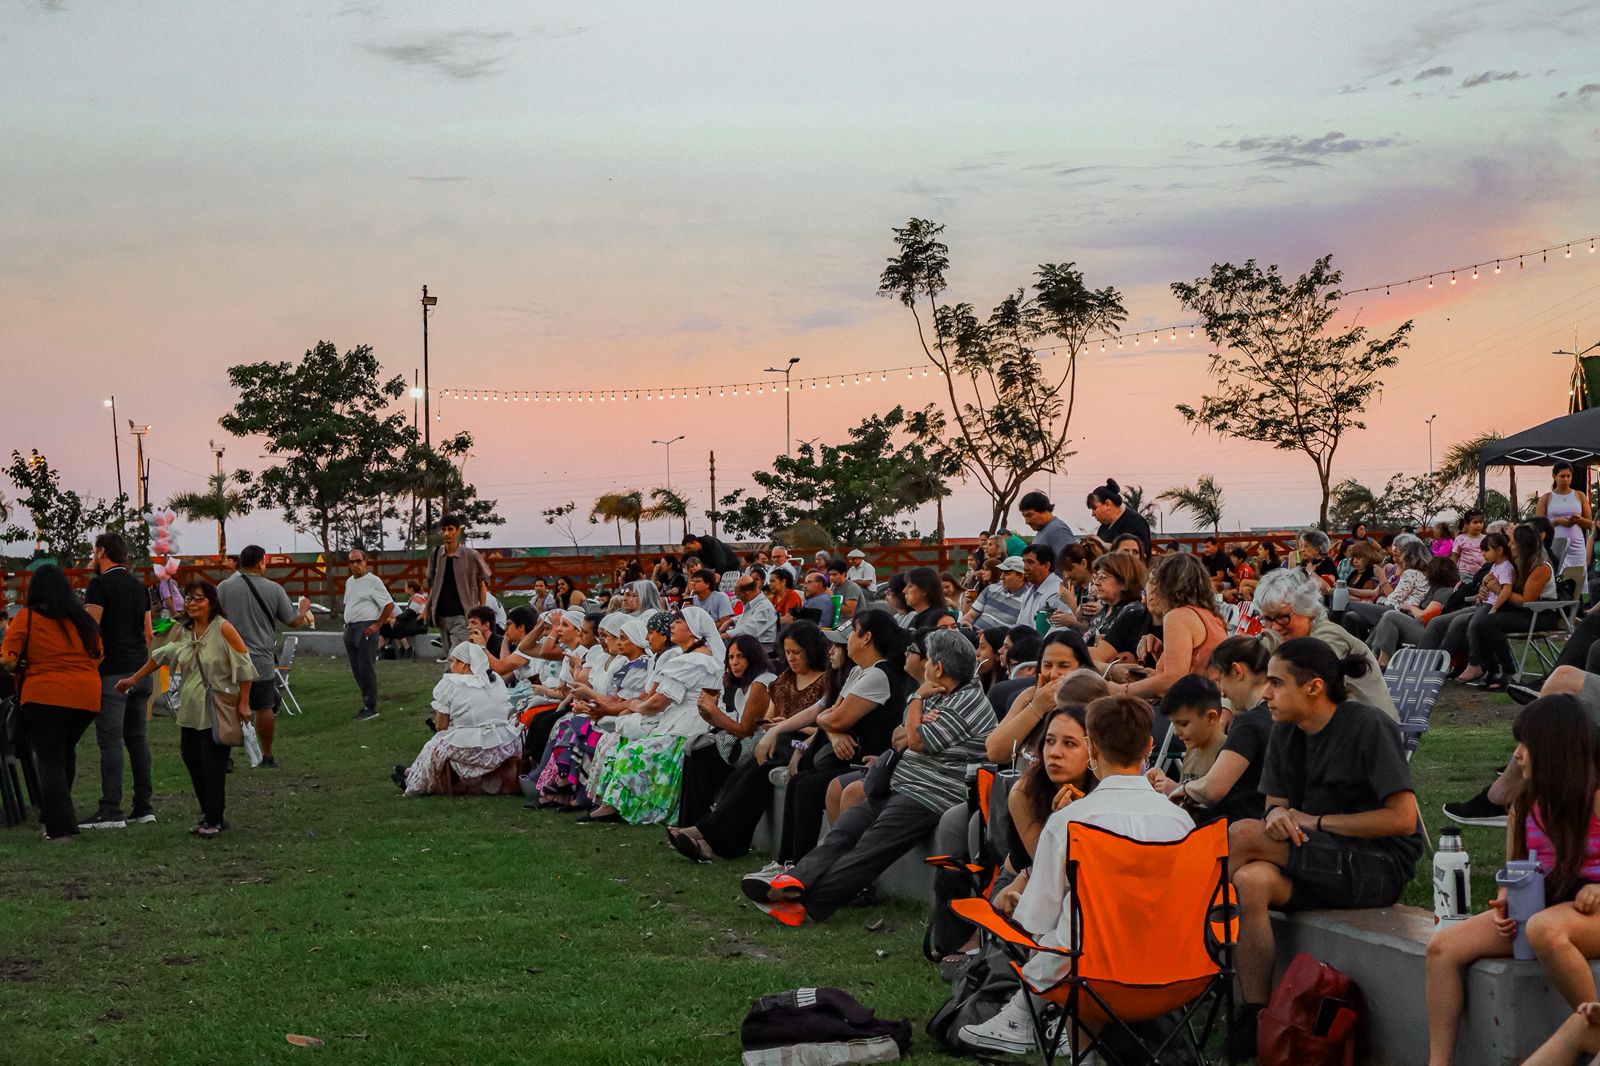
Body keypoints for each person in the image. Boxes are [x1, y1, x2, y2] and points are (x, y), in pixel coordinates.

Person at [959, 695, 1196, 1055]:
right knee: (1084, 915)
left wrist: (1019, 900)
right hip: (1179, 972)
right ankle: (1028, 1015)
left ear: (1091, 748)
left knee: (1072, 919)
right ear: (1149, 746)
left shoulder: (1073, 821)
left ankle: (1024, 1013)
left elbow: (1039, 915)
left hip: (1093, 973)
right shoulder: (1182, 821)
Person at [1225, 637, 1423, 1056]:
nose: (1266, 694)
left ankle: (1182, 951)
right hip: (1316, 857)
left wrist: (1313, 821)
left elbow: (1404, 819)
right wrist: (1276, 817)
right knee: (1251, 878)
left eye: (1276, 683)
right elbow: (1273, 808)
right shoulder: (1285, 730)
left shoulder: (1367, 726)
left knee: (1241, 836)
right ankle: (1256, 1016)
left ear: (1313, 687)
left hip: (1378, 866)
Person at [741, 628, 996, 926]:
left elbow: (912, 740)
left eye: (926, 659)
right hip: (900, 783)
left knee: (867, 850)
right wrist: (914, 724)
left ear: (937, 667)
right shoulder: (940, 694)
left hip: (929, 795)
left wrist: (915, 701)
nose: (923, 665)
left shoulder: (965, 702)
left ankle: (806, 905)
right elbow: (900, 735)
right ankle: (794, 882)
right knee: (844, 832)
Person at [1426, 694, 1600, 1065]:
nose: (1517, 755)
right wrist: (1505, 898)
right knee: (1442, 949)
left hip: (1589, 912)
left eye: (1526, 745)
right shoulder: (1524, 804)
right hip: (1546, 906)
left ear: (1556, 751)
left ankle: (1595, 1029)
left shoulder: (1596, 799)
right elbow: (1515, 868)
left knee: (1544, 929)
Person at [669, 621, 832, 862]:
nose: (791, 658)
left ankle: (704, 832)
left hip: (804, 743)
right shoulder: (785, 679)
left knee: (755, 771)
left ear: (811, 650)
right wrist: (772, 725)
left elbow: (824, 725)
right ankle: (717, 841)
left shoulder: (826, 681)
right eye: (787, 653)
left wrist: (783, 726)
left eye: (796, 652)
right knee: (743, 774)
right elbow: (766, 719)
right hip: (776, 741)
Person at [117, 580, 257, 837]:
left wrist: (245, 703)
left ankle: (214, 820)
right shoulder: (185, 631)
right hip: (191, 707)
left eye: (198, 598)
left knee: (213, 764)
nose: (192, 603)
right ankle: (210, 814)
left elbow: (245, 666)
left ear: (212, 603)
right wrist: (133, 679)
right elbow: (161, 656)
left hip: (217, 705)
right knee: (192, 758)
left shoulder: (224, 629)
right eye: (189, 598)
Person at [777, 611, 907, 863]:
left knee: (807, 787)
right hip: (841, 755)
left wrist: (831, 724)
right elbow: (830, 714)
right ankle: (788, 862)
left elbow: (833, 718)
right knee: (799, 783)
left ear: (866, 638)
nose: (842, 644)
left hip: (860, 759)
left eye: (850, 634)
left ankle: (805, 864)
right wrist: (832, 727)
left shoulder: (878, 675)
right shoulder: (859, 671)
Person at [585, 606, 725, 825]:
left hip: (686, 727)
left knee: (631, 751)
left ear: (694, 630)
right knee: (617, 742)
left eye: (679, 622)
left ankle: (625, 806)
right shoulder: (689, 658)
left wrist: (635, 706)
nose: (672, 625)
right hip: (674, 720)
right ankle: (611, 804)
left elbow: (657, 703)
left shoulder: (693, 661)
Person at [0, 564, 104, 841]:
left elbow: (8, 660)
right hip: (85, 696)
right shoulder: (82, 620)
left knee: (50, 761)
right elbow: (98, 655)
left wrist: (24, 663)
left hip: (44, 694)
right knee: (65, 753)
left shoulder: (27, 618)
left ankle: (60, 829)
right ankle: (55, 813)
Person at [78, 533, 155, 830]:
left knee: (110, 740)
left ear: (101, 551)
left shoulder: (99, 585)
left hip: (113, 674)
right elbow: (148, 632)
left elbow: (90, 626)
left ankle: (110, 809)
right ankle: (143, 806)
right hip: (139, 670)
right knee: (137, 739)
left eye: (94, 551)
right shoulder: (139, 587)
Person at [1253, 567, 1399, 719]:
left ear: (1308, 610)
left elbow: (1307, 694)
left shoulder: (1327, 637)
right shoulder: (1285, 638)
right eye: (1268, 619)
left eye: (1283, 617)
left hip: (1369, 732)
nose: (1275, 627)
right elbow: (1245, 666)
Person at [216, 545, 313, 768]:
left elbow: (214, 617)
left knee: (228, 707)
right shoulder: (274, 589)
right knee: (264, 706)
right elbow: (293, 621)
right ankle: (266, 755)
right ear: (261, 561)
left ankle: (225, 758)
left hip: (229, 657)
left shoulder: (223, 587)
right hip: (261, 658)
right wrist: (304, 608)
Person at [1168, 636, 1273, 825]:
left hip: (1236, 831)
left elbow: (1213, 789)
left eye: (1219, 680)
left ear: (1237, 671)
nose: (1222, 693)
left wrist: (1184, 789)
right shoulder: (1278, 717)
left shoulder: (1249, 724)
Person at [395, 642, 522, 796]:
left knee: (434, 745)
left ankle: (414, 784)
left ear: (464, 664)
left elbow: (440, 725)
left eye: (454, 661)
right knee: (441, 740)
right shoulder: (495, 680)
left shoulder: (451, 684)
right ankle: (413, 772)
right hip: (505, 745)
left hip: (474, 747)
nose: (452, 665)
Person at [678, 633, 776, 826]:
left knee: (702, 755)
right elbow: (734, 727)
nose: (735, 662)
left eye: (740, 656)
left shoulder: (761, 683)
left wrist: (714, 711)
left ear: (752, 657)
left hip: (758, 746)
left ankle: (693, 823)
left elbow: (745, 730)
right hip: (744, 742)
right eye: (731, 658)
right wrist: (708, 714)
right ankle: (690, 822)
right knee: (695, 750)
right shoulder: (744, 687)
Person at [1105, 552, 1227, 703]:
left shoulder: (1178, 616)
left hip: (1193, 707)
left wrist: (1119, 690)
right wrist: (1162, 658)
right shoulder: (1211, 617)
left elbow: (1172, 681)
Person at [1367, 556, 1460, 666]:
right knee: (1389, 620)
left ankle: (1378, 658)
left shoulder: (1445, 592)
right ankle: (1373, 655)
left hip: (1431, 635)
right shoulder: (1435, 590)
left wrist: (1410, 607)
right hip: (1424, 629)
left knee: (1390, 616)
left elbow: (1424, 617)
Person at [1339, 532, 1432, 638]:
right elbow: (1377, 593)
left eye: (1399, 548)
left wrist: (1382, 579)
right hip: (1392, 608)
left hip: (1398, 611)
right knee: (1352, 616)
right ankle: (1359, 647)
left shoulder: (1410, 573)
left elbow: (1394, 599)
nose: (1394, 551)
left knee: (1350, 605)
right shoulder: (1399, 570)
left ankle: (1345, 642)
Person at [1148, 673, 1227, 797]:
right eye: (1173, 724)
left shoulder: (1227, 755)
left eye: (1183, 724)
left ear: (1211, 718)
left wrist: (1176, 788)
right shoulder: (1191, 752)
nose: (1176, 732)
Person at [424, 515, 493, 652]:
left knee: (456, 655)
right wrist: (426, 609)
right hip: (441, 615)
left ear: (458, 531)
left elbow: (482, 584)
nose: (447, 533)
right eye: (443, 530)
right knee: (452, 654)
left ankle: (449, 672)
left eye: (450, 529)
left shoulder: (471, 555)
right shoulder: (436, 554)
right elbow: (434, 585)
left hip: (463, 615)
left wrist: (481, 611)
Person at [341, 549, 394, 722]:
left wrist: (377, 624)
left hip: (366, 627)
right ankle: (365, 701)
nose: (355, 565)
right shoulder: (350, 582)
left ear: (365, 561)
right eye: (351, 562)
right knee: (356, 668)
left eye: (358, 561)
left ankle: (371, 705)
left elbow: (388, 605)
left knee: (366, 667)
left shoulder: (373, 581)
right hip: (350, 627)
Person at [1083, 552, 1148, 666]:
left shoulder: (1133, 612)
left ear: (1124, 582)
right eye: (1096, 577)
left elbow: (1100, 656)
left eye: (1103, 577)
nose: (1097, 583)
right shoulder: (1104, 611)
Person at [1538, 461, 1593, 588]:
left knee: (1579, 578)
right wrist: (1556, 521)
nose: (1566, 479)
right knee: (1558, 577)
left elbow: (1590, 524)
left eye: (1568, 476)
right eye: (1562, 476)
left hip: (1577, 545)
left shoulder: (1580, 496)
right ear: (1554, 476)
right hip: (1555, 545)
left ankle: (1581, 604)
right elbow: (1538, 526)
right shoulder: (1546, 498)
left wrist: (1579, 520)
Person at [1086, 479, 1152, 557]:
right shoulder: (1104, 527)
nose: (1093, 514)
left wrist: (1102, 544)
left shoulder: (1135, 522)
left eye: (1094, 508)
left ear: (1108, 504)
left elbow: (1139, 555)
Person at [964, 556, 1026, 630]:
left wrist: (990, 635)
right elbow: (971, 615)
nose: (1001, 577)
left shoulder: (1027, 600)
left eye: (1006, 573)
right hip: (974, 630)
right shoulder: (991, 589)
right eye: (1002, 572)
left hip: (998, 638)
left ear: (1021, 576)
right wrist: (965, 622)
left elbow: (1018, 632)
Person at [1014, 544, 1061, 631]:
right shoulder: (1030, 591)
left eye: (1030, 562)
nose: (1025, 568)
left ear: (1046, 566)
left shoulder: (1056, 593)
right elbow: (1020, 625)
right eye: (1024, 562)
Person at [1017, 490, 1077, 558]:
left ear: (1044, 511)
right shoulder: (1044, 529)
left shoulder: (1057, 530)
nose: (1027, 521)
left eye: (1030, 515)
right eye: (1024, 516)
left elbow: (1067, 566)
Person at [379, 580, 428, 659]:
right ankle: (395, 649)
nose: (404, 588)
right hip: (413, 623)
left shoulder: (418, 598)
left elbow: (409, 613)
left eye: (406, 587)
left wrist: (395, 619)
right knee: (389, 626)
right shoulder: (413, 598)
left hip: (419, 625)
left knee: (397, 625)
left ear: (411, 589)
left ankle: (407, 649)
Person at [726, 571, 778, 645]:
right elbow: (749, 616)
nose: (738, 598)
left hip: (761, 649)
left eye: (739, 595)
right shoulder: (753, 603)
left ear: (747, 593)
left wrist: (726, 635)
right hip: (747, 645)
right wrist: (731, 621)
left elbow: (748, 630)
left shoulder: (765, 608)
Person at [1453, 509, 1487, 576]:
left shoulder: (1486, 539)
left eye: (1481, 522)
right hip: (1465, 574)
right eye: (1475, 522)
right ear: (1467, 524)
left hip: (1483, 573)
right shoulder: (1460, 539)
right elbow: (1455, 558)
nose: (1479, 525)